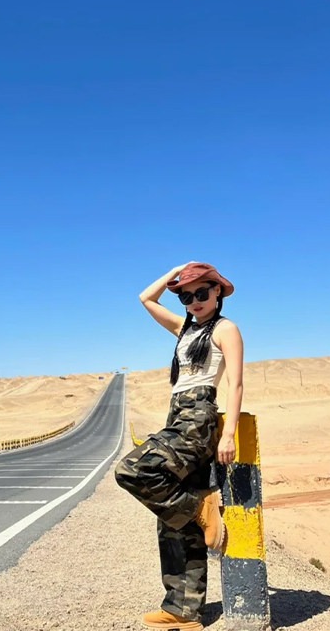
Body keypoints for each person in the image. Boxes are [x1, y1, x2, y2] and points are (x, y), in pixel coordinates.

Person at [114, 261, 244, 631]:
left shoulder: (225, 329)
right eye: (186, 295)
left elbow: (234, 384)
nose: (194, 301)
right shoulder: (184, 329)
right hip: (177, 415)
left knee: (133, 470)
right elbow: (145, 298)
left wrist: (229, 432)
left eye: (202, 292)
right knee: (173, 525)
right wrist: (175, 270)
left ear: (218, 290)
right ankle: (182, 611)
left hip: (198, 418)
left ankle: (202, 506)